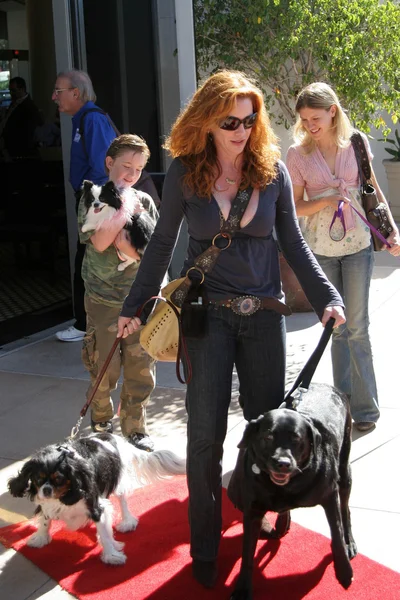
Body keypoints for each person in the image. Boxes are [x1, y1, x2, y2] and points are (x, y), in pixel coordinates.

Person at [117, 70, 345, 588]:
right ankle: (204, 545)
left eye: (249, 119)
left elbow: (295, 244)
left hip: (264, 317)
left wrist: (328, 296)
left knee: (271, 431)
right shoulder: (183, 173)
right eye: (230, 121)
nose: (242, 130)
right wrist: (135, 304)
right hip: (208, 319)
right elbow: (159, 246)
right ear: (207, 121)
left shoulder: (272, 172)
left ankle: (271, 509)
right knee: (205, 438)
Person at [286, 82, 400, 434]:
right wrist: (327, 200)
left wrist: (392, 229)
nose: (309, 125)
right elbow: (294, 206)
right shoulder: (297, 154)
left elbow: (373, 190)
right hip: (321, 248)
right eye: (304, 119)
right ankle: (343, 405)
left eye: (315, 117)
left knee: (358, 328)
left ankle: (366, 410)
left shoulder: (357, 143)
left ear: (333, 111)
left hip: (359, 245)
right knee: (337, 328)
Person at [78, 134, 158, 451]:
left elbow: (149, 250)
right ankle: (101, 423)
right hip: (103, 299)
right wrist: (125, 213)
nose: (131, 175)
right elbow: (98, 241)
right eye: (126, 166)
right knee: (103, 366)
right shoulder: (92, 197)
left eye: (138, 170)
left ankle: (135, 428)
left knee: (140, 368)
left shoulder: (146, 202)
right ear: (109, 163)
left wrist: (123, 237)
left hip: (138, 300)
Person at [53, 69, 119, 342]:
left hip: (96, 200)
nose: (54, 97)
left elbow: (106, 168)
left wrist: (95, 207)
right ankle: (89, 322)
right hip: (90, 198)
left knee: (91, 261)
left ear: (76, 93)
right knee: (91, 261)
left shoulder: (91, 119)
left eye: (59, 91)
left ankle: (86, 324)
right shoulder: (81, 119)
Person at [0, 76, 43, 159]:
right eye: (10, 90)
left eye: (13, 90)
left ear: (22, 89)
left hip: (17, 151)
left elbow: (27, 132)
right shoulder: (15, 103)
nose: (11, 93)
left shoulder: (29, 107)